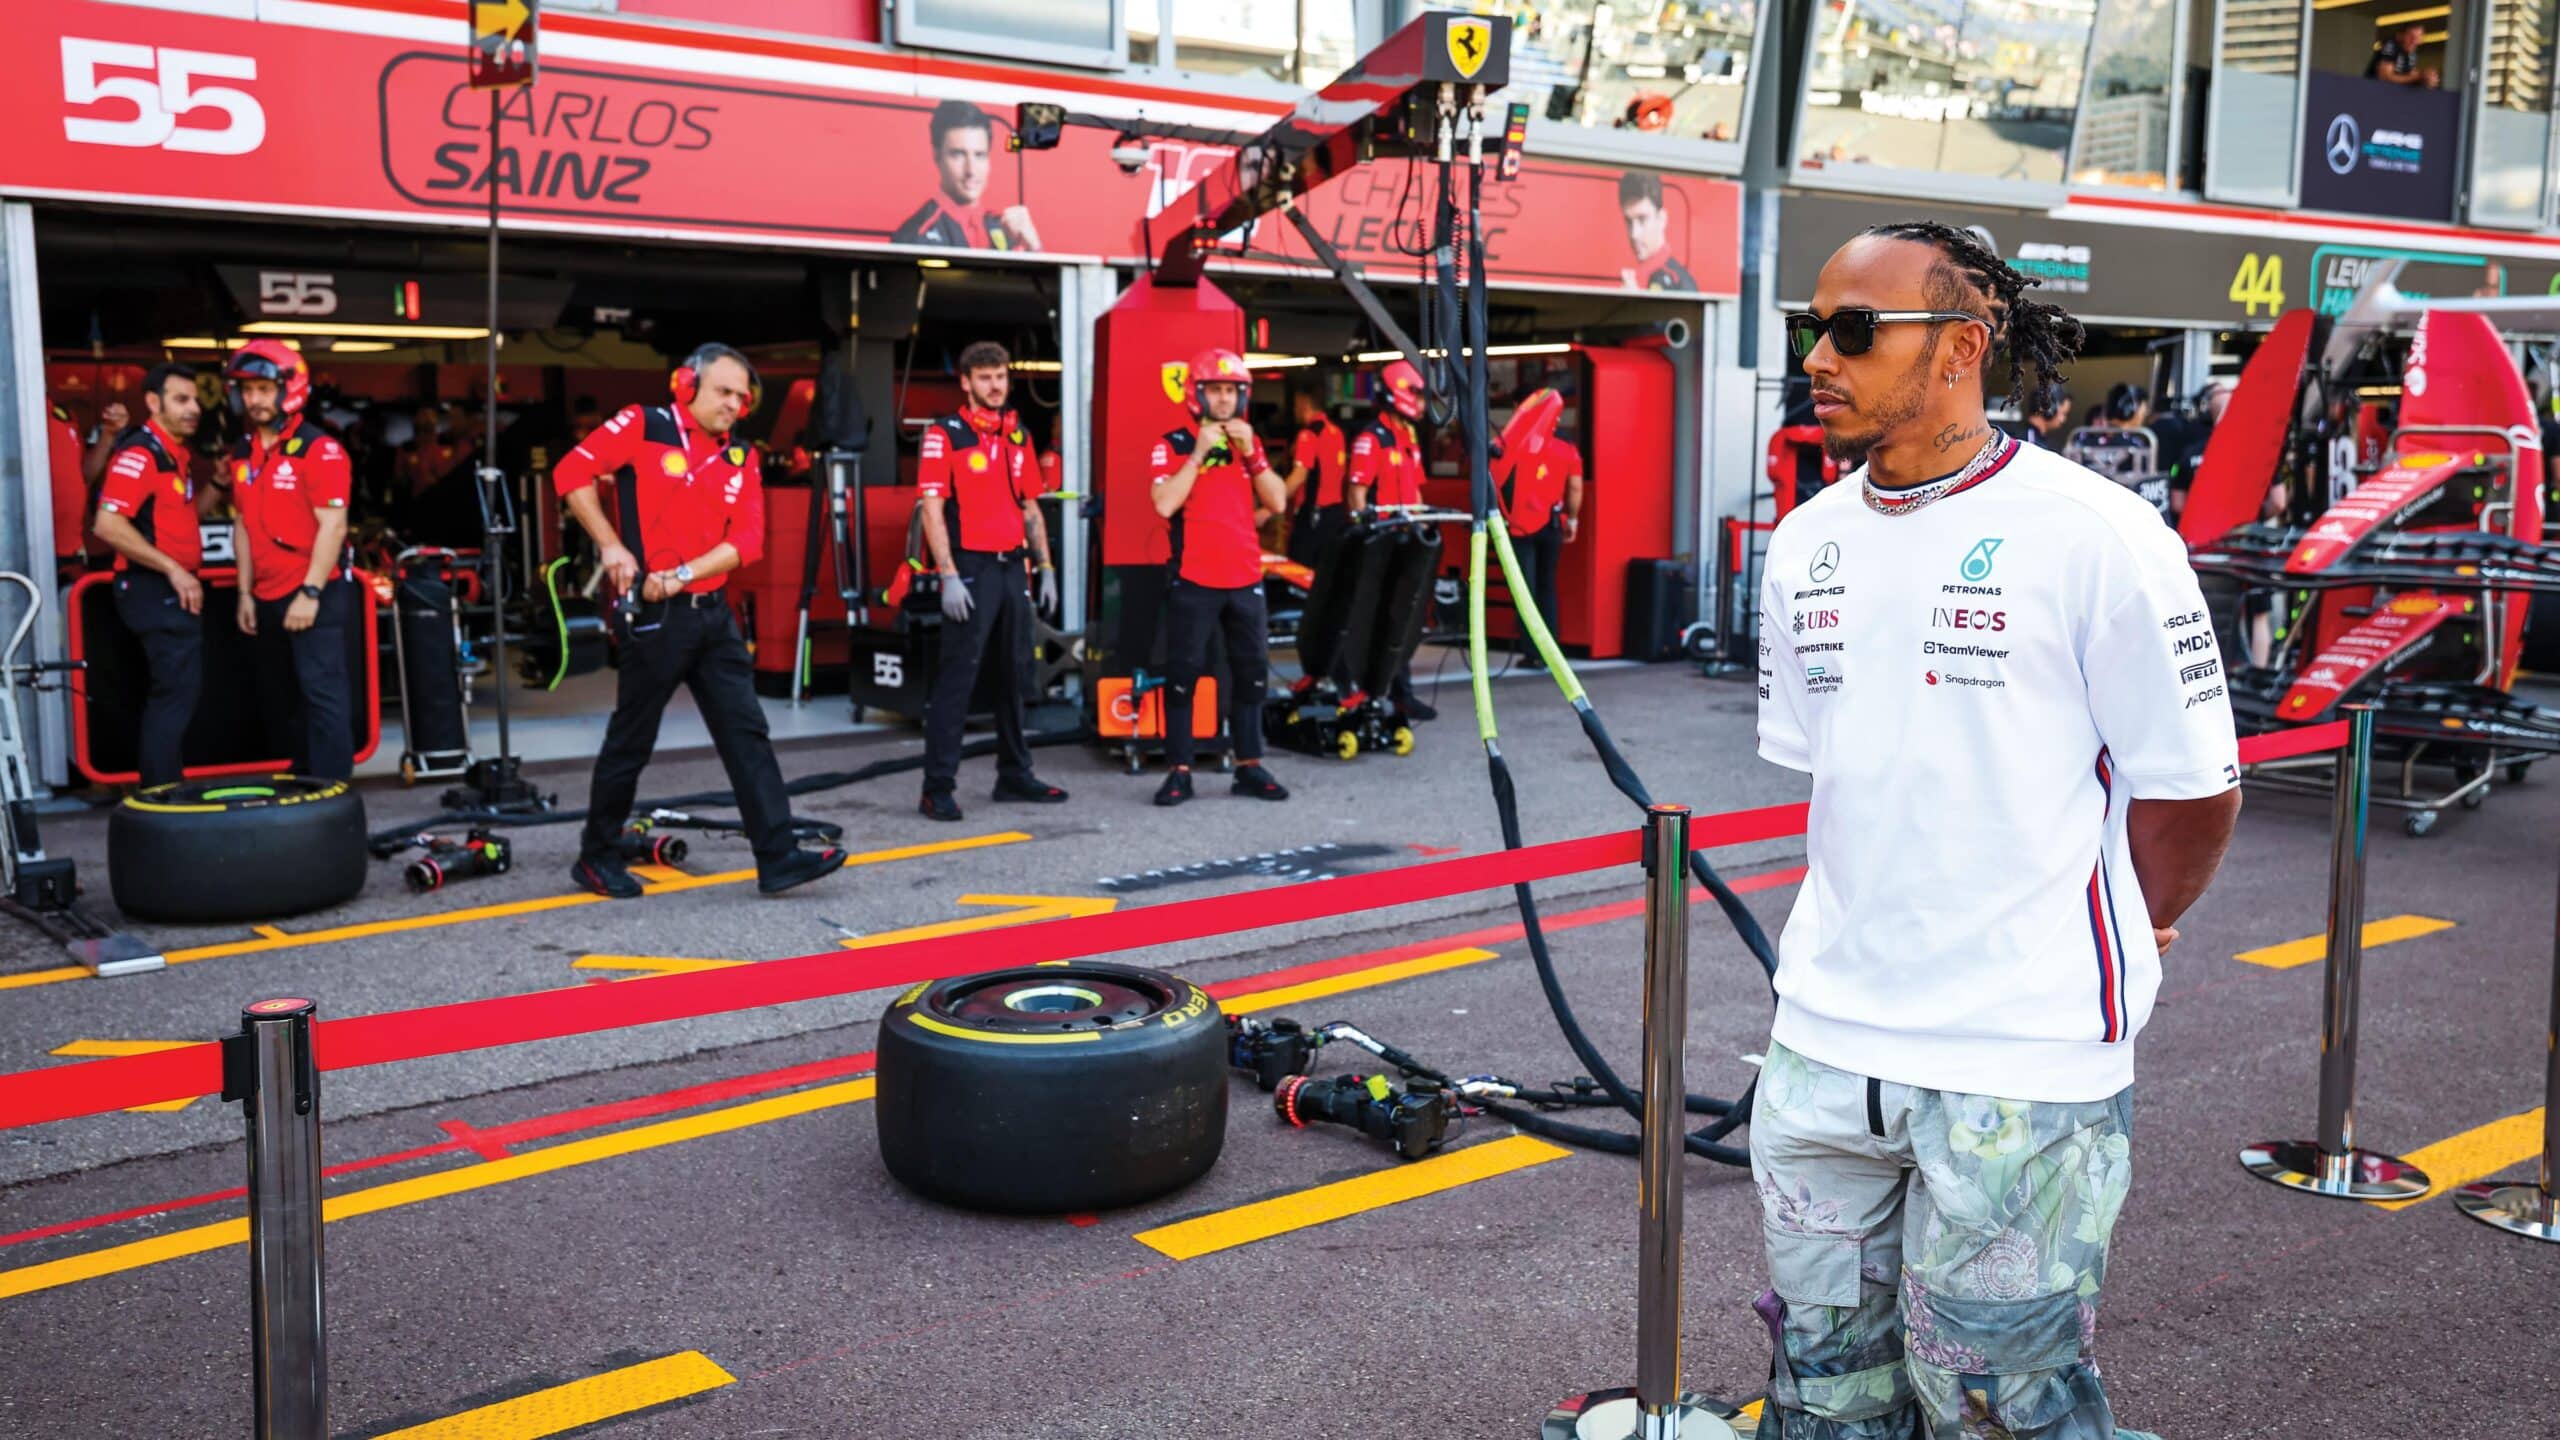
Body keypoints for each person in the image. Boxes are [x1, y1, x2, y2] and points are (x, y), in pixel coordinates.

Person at [1758, 220, 2241, 1438]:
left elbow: (2192, 791)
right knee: (1823, 1397)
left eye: (1853, 331)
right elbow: (1851, 781)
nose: (1819, 355)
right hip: (1820, 1054)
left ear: (1963, 345)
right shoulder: (1802, 543)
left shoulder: (2099, 536)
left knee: (1999, 1410)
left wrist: (2140, 923)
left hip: (2020, 1067)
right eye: (1810, 329)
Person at [553, 343, 847, 899]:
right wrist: (612, 547)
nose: (735, 404)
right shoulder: (644, 425)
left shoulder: (741, 457)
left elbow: (748, 542)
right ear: (686, 384)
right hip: (655, 618)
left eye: (743, 397)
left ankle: (778, 856)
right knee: (631, 740)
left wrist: (685, 573)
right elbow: (571, 474)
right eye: (724, 391)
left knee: (748, 735)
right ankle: (595, 856)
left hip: (712, 615)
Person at [916, 340, 1069, 821]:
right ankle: (936, 787)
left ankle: (1014, 774)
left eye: (1000, 376)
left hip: (1011, 570)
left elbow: (1029, 506)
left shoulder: (1017, 434)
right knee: (956, 681)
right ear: (966, 382)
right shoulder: (946, 435)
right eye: (984, 377)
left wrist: (1044, 567)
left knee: (1013, 676)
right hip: (972, 569)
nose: (995, 385)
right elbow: (932, 508)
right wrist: (948, 576)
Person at [1147, 349, 1291, 807]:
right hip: (1194, 576)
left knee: (1250, 675)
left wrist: (1252, 454)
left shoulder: (1251, 443)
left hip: (1245, 576)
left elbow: (1280, 502)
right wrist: (1199, 453)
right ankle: (1179, 770)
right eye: (1216, 390)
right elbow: (1164, 504)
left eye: (1232, 391)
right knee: (1183, 675)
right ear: (1199, 393)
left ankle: (1249, 765)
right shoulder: (1170, 442)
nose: (1225, 400)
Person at [224, 341, 359, 780]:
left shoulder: (319, 450)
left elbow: (333, 527)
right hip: (265, 595)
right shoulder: (242, 453)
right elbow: (242, 524)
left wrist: (311, 592)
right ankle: (302, 790)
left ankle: (333, 798)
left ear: (289, 388)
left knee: (324, 699)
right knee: (286, 700)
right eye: (247, 390)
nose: (255, 399)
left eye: (264, 388)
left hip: (312, 595)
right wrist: (244, 592)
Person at [93, 363, 211, 787]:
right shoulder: (140, 453)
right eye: (181, 400)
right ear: (152, 403)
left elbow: (174, 522)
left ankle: (163, 793)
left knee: (174, 697)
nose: (193, 408)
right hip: (154, 590)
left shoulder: (172, 453)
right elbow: (107, 525)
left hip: (163, 589)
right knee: (173, 699)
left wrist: (215, 486)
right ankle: (161, 801)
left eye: (195, 399)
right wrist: (175, 571)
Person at [1346, 358, 1436, 719]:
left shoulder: (1409, 437)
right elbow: (1357, 493)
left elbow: (1416, 492)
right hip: (1380, 543)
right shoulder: (1373, 439)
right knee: (1376, 619)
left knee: (1403, 616)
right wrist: (1366, 533)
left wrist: (1421, 526)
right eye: (1416, 394)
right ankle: (1364, 689)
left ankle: (1402, 694)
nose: (1422, 403)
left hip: (1406, 539)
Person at [1494, 394, 1583, 666]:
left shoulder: (1507, 446)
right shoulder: (1567, 448)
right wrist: (1573, 520)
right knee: (1546, 588)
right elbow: (1576, 488)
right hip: (1552, 524)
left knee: (1525, 590)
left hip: (1518, 527)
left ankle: (1533, 653)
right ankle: (1551, 651)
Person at [892, 101, 1041, 252]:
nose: (971, 170)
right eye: (958, 154)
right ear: (937, 156)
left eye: (979, 155)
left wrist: (1034, 249)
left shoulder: (1006, 230)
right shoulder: (916, 233)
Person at [1282, 387, 1351, 567]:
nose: (1295, 411)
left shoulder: (1308, 435)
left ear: (1305, 404)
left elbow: (1299, 476)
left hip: (1312, 515)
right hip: (1336, 514)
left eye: (1296, 406)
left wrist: (1271, 505)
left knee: (1300, 572)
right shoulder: (1337, 433)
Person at [1618, 171, 1697, 292]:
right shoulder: (1646, 277)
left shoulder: (1675, 281)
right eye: (1629, 222)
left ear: (1661, 219)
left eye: (1642, 220)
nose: (1634, 234)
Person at [2368, 22, 2439, 87]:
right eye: (2410, 36)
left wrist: (2426, 78)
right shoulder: (2391, 45)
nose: (2414, 41)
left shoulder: (2411, 54)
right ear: (2400, 36)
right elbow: (2384, 76)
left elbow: (2411, 76)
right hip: (2373, 91)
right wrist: (2418, 77)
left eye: (2418, 37)